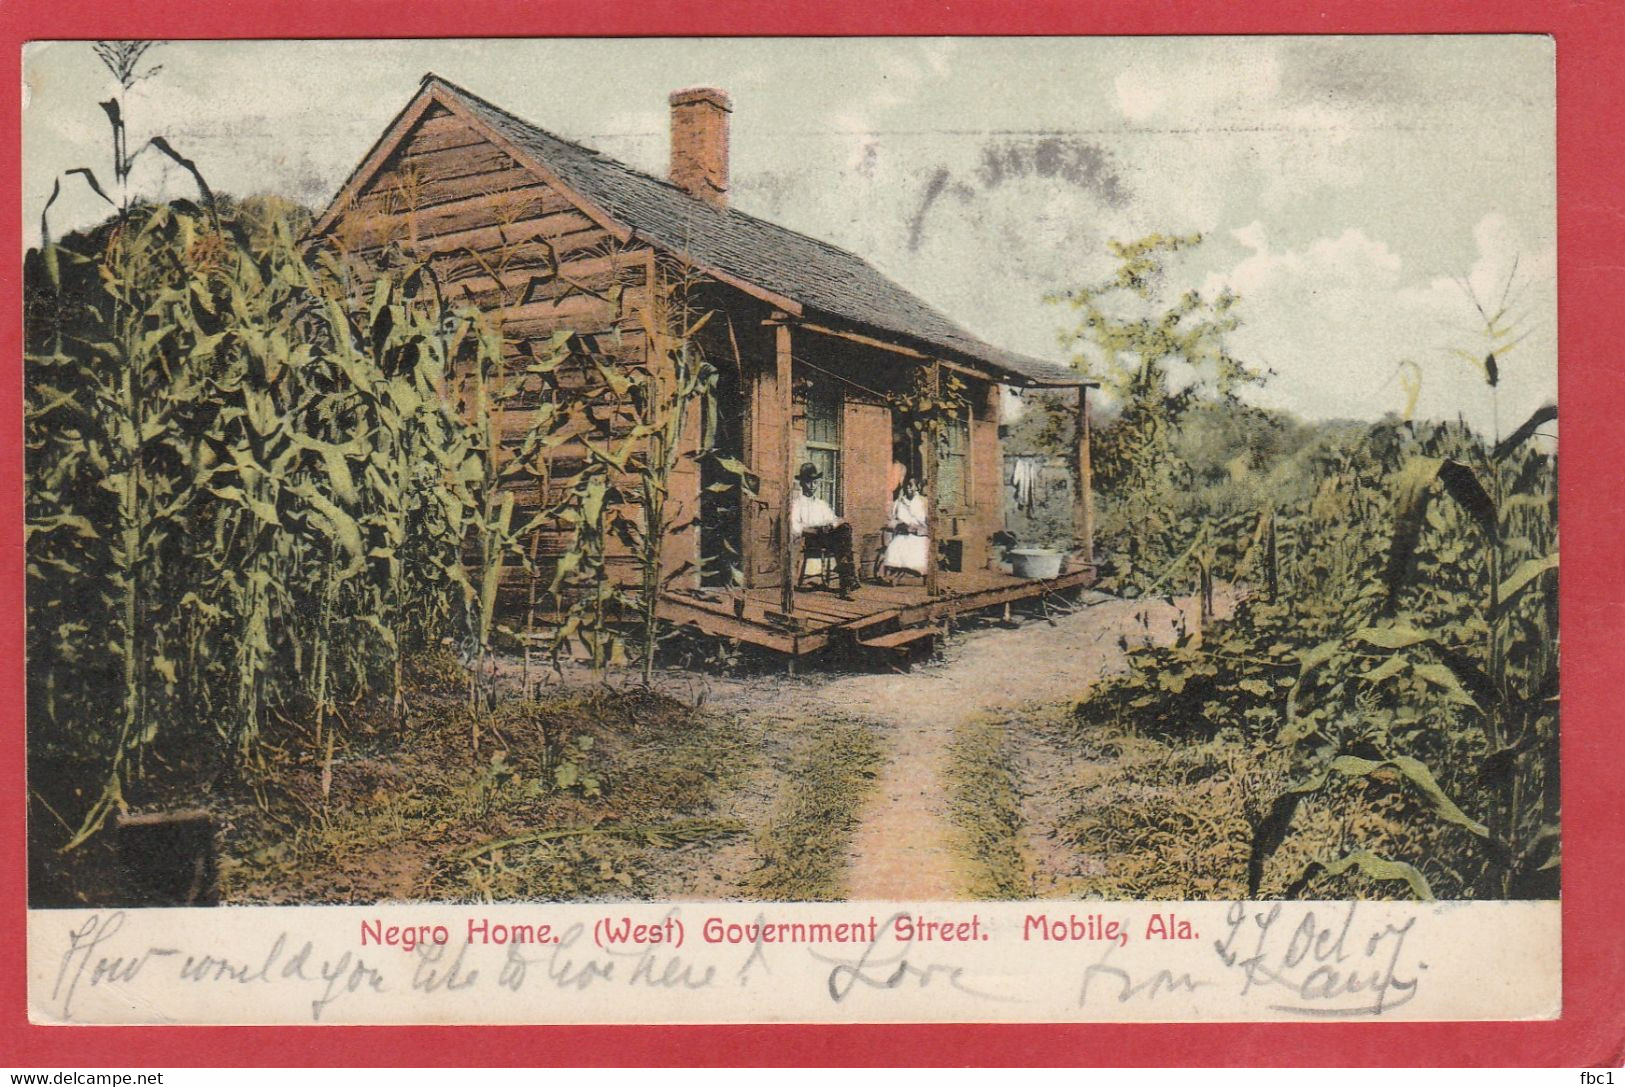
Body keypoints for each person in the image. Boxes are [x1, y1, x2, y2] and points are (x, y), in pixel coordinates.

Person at [791, 462, 860, 595]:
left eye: (815, 482)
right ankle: (847, 579)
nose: (812, 486)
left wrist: (830, 525)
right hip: (812, 538)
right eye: (808, 482)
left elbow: (834, 519)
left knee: (845, 528)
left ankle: (845, 578)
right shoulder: (797, 504)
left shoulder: (821, 504)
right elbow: (795, 527)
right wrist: (815, 531)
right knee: (843, 542)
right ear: (802, 483)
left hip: (827, 536)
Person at [881, 477, 930, 580]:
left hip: (919, 535)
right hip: (903, 534)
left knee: (915, 548)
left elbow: (928, 521)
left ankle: (913, 570)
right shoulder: (899, 503)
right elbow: (892, 519)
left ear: (917, 487)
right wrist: (900, 525)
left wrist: (918, 528)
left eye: (911, 485)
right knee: (895, 547)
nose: (908, 488)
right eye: (907, 485)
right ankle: (893, 574)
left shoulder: (923, 502)